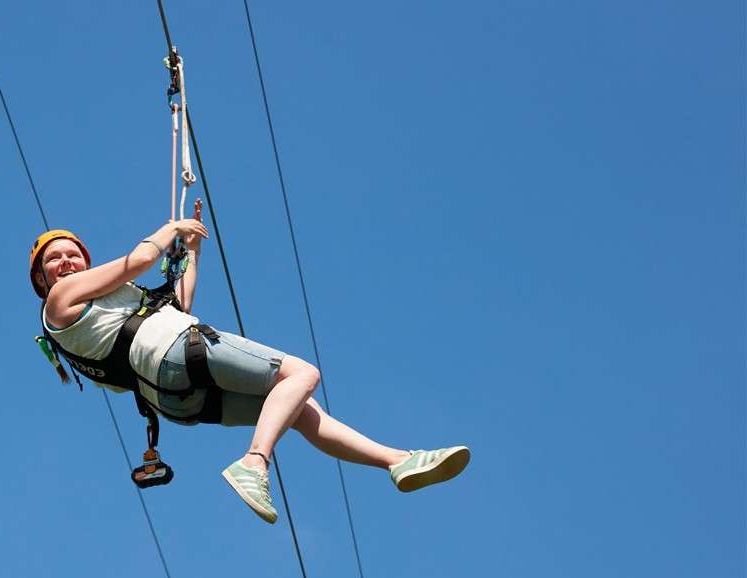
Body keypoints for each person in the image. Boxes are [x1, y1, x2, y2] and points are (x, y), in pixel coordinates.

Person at [30, 200, 469, 524]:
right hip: (176, 354)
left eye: (73, 255)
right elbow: (142, 259)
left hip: (176, 398)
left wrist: (192, 252)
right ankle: (254, 462)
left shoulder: (101, 315)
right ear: (42, 279)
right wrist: (170, 228)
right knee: (302, 374)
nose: (66, 262)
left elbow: (177, 307)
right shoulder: (59, 301)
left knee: (297, 409)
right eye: (54, 259)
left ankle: (397, 461)